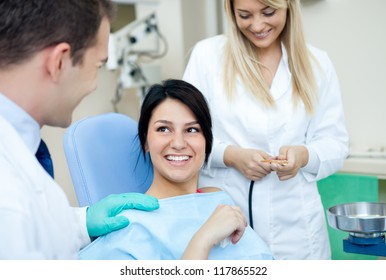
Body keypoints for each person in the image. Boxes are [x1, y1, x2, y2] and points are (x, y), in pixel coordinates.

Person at [183, 0, 349, 260]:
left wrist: (303, 156)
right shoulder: (207, 57)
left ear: (288, 7)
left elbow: (335, 143)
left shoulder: (317, 63)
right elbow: (186, 136)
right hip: (227, 227)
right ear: (231, 12)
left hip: (298, 234)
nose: (257, 25)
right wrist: (231, 156)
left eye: (268, 12)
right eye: (245, 15)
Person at [0, 0, 159, 259]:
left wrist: (82, 222)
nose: (93, 86)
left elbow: (36, 225)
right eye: (97, 65)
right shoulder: (7, 198)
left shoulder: (17, 148)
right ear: (60, 61)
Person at [78, 79, 274, 260]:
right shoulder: (130, 229)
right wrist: (203, 240)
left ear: (206, 141)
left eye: (192, 130)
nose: (179, 143)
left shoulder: (218, 202)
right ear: (145, 140)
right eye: (164, 129)